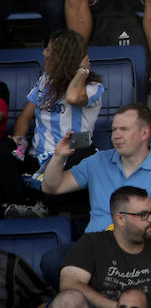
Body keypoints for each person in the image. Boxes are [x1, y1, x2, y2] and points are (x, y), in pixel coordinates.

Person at [41, 103, 151, 238]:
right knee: (52, 260)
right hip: (92, 248)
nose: (116, 136)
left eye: (124, 129)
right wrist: (59, 157)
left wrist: (110, 236)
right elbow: (52, 187)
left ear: (144, 133)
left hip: (139, 249)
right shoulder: (97, 161)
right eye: (114, 130)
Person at [0, 31, 101, 213]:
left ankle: (45, 206)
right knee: (3, 147)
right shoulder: (44, 82)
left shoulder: (92, 88)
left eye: (50, 50)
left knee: (85, 150)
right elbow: (25, 117)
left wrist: (82, 71)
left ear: (65, 58)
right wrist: (19, 143)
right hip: (37, 159)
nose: (44, 53)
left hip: (70, 158)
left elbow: (72, 97)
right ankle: (22, 207)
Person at [52, 186, 151, 308]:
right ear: (120, 219)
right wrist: (116, 307)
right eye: (143, 215)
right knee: (68, 300)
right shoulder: (92, 243)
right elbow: (69, 285)